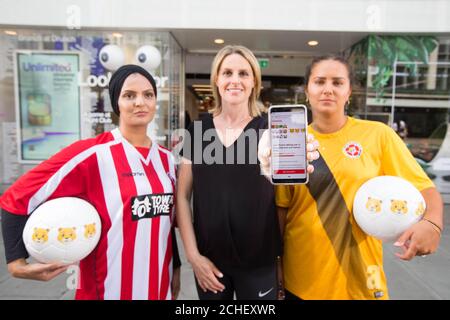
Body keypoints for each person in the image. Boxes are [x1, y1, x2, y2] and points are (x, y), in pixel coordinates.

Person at [0, 65, 181, 300]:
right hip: (104, 292)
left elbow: (164, 220)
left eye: (148, 94)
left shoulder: (166, 159)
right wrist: (16, 262)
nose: (140, 102)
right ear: (116, 102)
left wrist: (176, 267)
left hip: (158, 290)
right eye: (129, 95)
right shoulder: (91, 154)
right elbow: (16, 196)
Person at [273, 55, 443, 300]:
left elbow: (425, 189)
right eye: (319, 81)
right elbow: (282, 211)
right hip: (302, 278)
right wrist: (276, 267)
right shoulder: (291, 139)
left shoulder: (378, 135)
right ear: (307, 90)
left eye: (337, 82)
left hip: (363, 275)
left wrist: (433, 225)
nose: (328, 89)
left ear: (349, 91)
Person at [176, 45, 318, 300]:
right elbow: (182, 197)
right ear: (217, 80)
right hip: (210, 262)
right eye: (227, 72)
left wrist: (302, 156)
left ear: (254, 82)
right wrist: (193, 256)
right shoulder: (198, 130)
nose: (235, 80)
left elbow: (291, 185)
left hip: (259, 262)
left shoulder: (271, 130)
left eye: (243, 73)